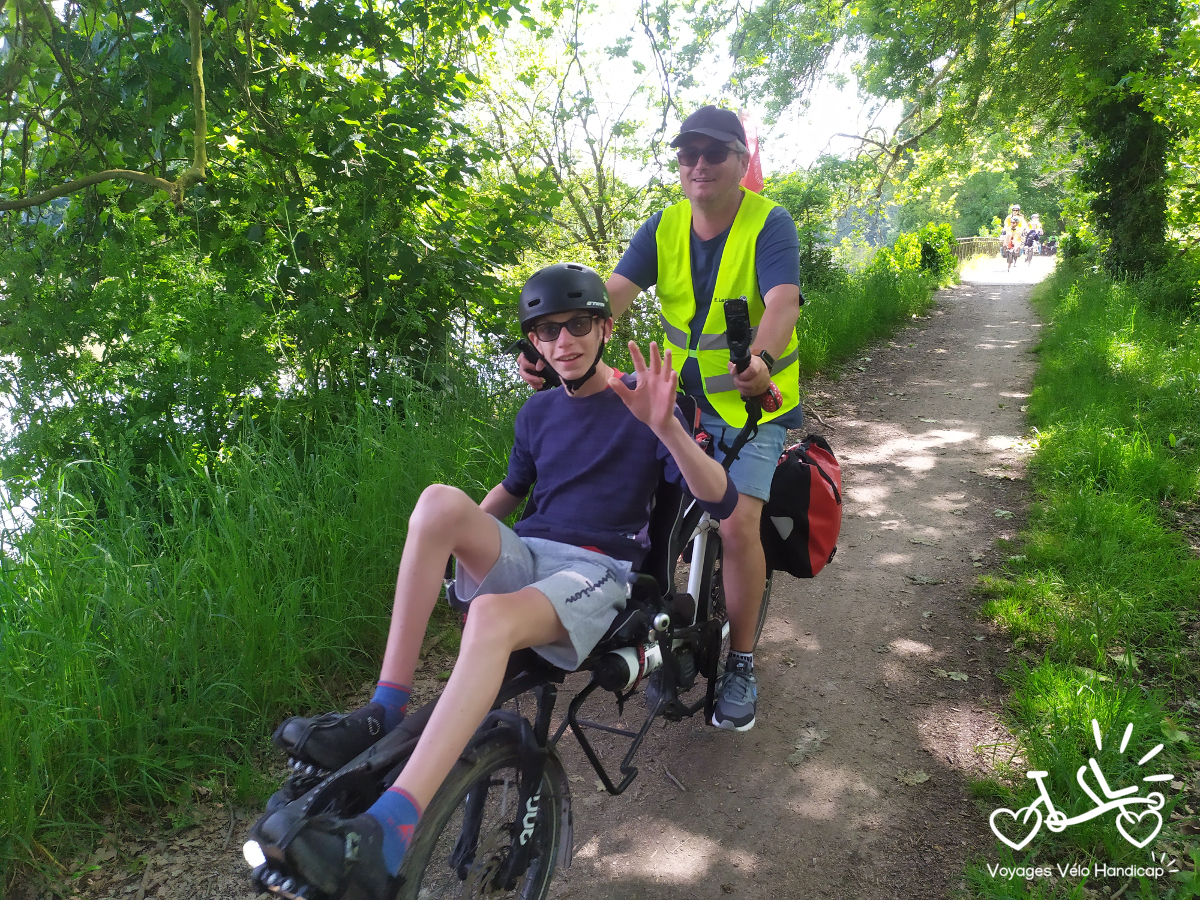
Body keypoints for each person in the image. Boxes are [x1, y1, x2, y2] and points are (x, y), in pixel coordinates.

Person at [256, 262, 737, 898]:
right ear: (532, 344)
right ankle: (383, 710)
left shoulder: (644, 402)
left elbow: (719, 499)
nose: (562, 341)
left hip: (598, 570)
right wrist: (451, 543)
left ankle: (389, 830)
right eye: (545, 331)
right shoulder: (537, 414)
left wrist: (666, 425)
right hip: (530, 552)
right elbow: (510, 494)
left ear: (603, 326)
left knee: (491, 618)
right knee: (435, 502)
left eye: (576, 326)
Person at [521, 105, 802, 733]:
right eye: (686, 153)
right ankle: (649, 624)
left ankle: (742, 662)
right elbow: (609, 295)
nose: (698, 164)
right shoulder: (664, 227)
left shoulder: (769, 223)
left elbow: (781, 302)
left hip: (754, 407)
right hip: (675, 402)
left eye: (713, 152)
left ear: (739, 160)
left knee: (736, 526)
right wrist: (557, 339)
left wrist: (762, 356)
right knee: (651, 510)